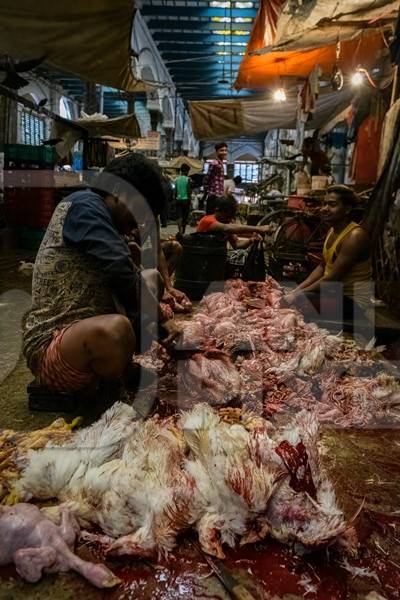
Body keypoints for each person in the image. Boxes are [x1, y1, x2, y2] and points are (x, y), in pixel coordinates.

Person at [23, 153, 182, 394]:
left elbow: (127, 289)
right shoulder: (84, 207)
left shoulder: (105, 218)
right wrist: (164, 321)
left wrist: (161, 338)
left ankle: (118, 368)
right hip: (53, 348)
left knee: (151, 279)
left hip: (82, 335)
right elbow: (119, 271)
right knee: (116, 331)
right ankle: (117, 372)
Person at [284, 185, 372, 318]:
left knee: (298, 304)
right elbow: (322, 267)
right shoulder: (332, 230)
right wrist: (296, 290)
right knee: (290, 297)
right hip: (333, 293)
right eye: (324, 204)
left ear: (347, 209)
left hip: (352, 302)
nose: (324, 209)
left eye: (332, 205)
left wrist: (297, 295)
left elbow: (332, 278)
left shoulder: (355, 236)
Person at [197, 195, 271, 247]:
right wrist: (258, 228)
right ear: (217, 210)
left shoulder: (225, 224)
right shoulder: (208, 220)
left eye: (230, 217)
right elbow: (227, 228)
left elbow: (237, 244)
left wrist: (251, 240)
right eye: (227, 217)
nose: (228, 220)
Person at [203, 142, 228, 215]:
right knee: (211, 219)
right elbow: (207, 179)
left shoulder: (221, 163)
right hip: (213, 196)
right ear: (216, 152)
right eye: (221, 150)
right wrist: (205, 193)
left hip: (218, 196)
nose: (224, 152)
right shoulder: (215, 164)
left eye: (225, 150)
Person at [174, 163, 191, 234]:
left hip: (178, 200)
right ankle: (183, 231)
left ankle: (180, 230)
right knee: (185, 217)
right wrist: (189, 200)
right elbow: (188, 190)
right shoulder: (188, 179)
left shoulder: (176, 179)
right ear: (186, 171)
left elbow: (175, 191)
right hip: (185, 200)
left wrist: (175, 199)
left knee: (179, 216)